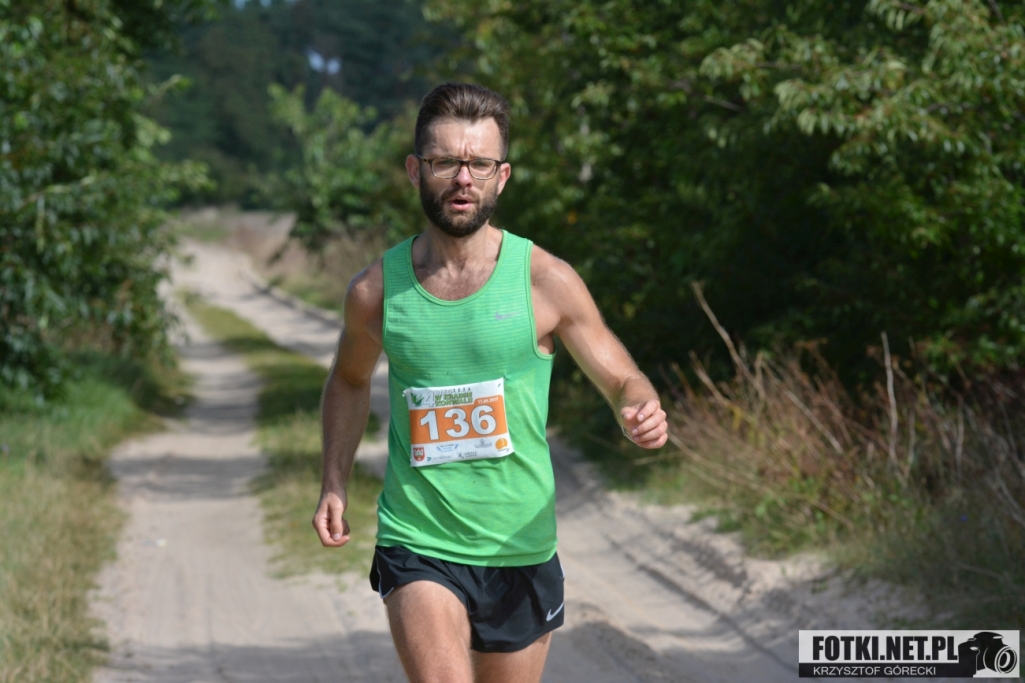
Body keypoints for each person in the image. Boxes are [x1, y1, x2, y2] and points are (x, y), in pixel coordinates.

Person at [313, 82, 668, 683]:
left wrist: (641, 407)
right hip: (418, 538)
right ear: (415, 170)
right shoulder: (376, 291)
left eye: (479, 164)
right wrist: (334, 482)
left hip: (519, 544)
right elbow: (348, 381)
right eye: (445, 162)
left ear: (501, 177)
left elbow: (621, 378)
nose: (462, 178)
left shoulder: (545, 281)